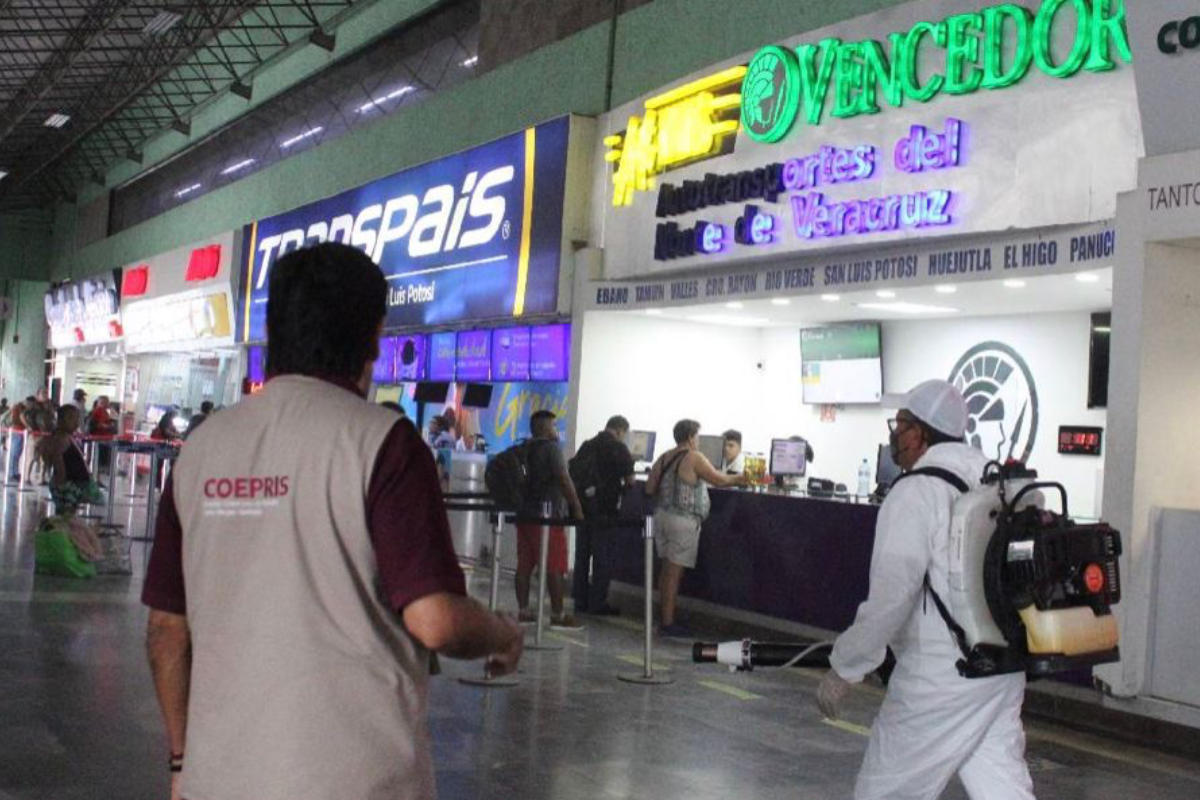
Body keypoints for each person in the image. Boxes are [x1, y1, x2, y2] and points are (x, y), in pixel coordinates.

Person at [142, 242, 522, 800]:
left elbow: (165, 631)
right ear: (374, 335)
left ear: (275, 333)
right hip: (357, 780)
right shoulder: (384, 444)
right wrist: (503, 632)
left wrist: (181, 761)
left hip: (218, 779)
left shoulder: (202, 449)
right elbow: (436, 622)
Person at [816, 380, 1034, 800]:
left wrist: (846, 666)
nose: (895, 435)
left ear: (920, 432)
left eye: (899, 424)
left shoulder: (917, 491)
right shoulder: (997, 481)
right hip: (1002, 668)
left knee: (885, 791)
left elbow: (892, 595)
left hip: (941, 676)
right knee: (1002, 788)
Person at [645, 419, 748, 637]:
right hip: (682, 521)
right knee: (674, 574)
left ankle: (663, 616)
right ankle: (668, 622)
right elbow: (718, 480)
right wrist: (742, 478)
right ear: (691, 437)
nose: (698, 441)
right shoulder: (694, 457)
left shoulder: (664, 457)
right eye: (697, 437)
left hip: (661, 517)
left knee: (665, 571)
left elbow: (649, 486)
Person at [515, 409, 584, 628]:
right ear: (546, 428)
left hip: (523, 515)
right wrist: (577, 507)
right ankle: (558, 615)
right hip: (547, 517)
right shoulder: (552, 449)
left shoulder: (523, 448)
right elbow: (564, 480)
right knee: (554, 565)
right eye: (554, 426)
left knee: (524, 565)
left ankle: (524, 611)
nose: (557, 430)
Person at [571, 415, 636, 615]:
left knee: (582, 556)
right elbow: (630, 480)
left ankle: (579, 600)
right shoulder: (619, 448)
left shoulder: (587, 445)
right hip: (605, 510)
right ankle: (598, 602)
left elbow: (574, 471)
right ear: (620, 431)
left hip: (583, 508)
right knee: (602, 557)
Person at [37, 405, 103, 511]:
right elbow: (58, 460)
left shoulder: (65, 436)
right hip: (68, 484)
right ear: (61, 420)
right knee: (66, 515)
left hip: (71, 483)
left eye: (77, 419)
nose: (76, 423)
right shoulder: (61, 438)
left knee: (67, 514)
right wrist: (61, 483)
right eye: (72, 418)